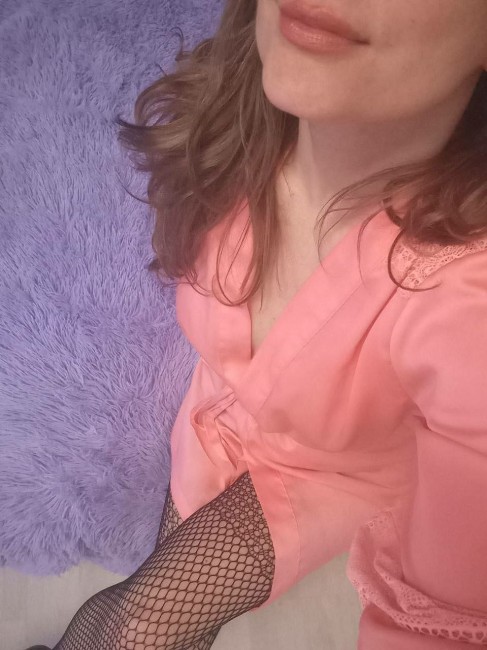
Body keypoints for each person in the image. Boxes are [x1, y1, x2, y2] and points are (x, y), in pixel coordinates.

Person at [28, 1, 487, 648]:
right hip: (212, 423)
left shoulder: (466, 304)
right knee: (156, 607)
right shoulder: (236, 132)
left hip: (331, 477)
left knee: (134, 626)